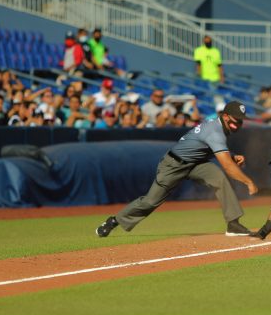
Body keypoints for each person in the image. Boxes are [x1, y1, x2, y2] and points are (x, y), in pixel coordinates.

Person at [96, 101, 259, 238]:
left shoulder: (218, 126)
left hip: (195, 163)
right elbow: (228, 166)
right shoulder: (215, 130)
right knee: (150, 201)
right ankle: (114, 221)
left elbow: (204, 146)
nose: (238, 123)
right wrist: (249, 182)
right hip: (174, 165)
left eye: (241, 120)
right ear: (224, 116)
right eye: (235, 119)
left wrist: (232, 154)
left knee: (219, 179)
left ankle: (233, 224)